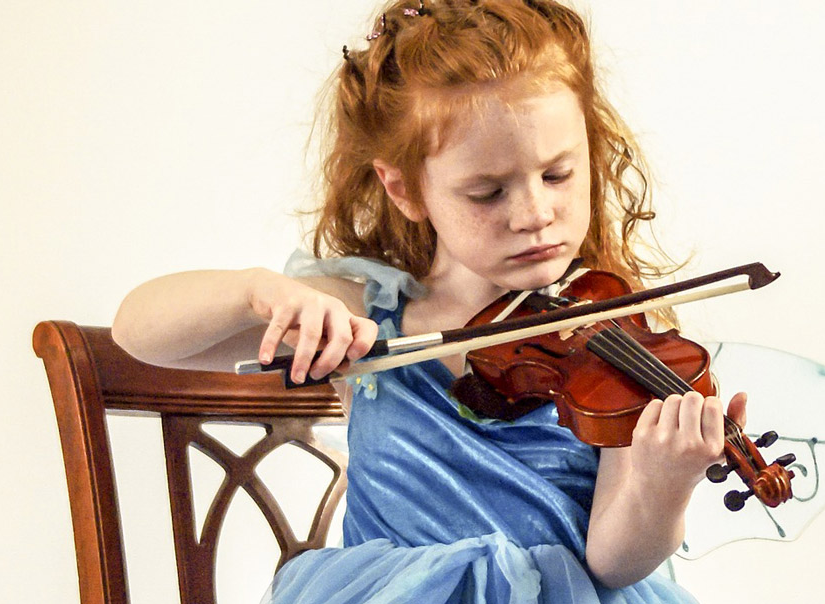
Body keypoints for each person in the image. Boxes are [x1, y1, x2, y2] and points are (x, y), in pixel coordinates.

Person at [113, 1, 747, 601]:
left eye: (558, 174)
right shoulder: (366, 317)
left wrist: (665, 485)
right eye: (487, 192)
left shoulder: (620, 336)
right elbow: (138, 332)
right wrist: (258, 293)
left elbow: (613, 561)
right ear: (406, 188)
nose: (535, 214)